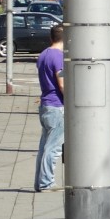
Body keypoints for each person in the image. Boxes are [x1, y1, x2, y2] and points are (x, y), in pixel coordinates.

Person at [34, 24, 65, 192]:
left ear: (51, 37)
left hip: (45, 104)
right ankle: (46, 183)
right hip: (56, 106)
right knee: (53, 148)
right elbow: (62, 84)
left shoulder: (44, 54)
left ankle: (39, 182)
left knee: (44, 147)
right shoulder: (58, 57)